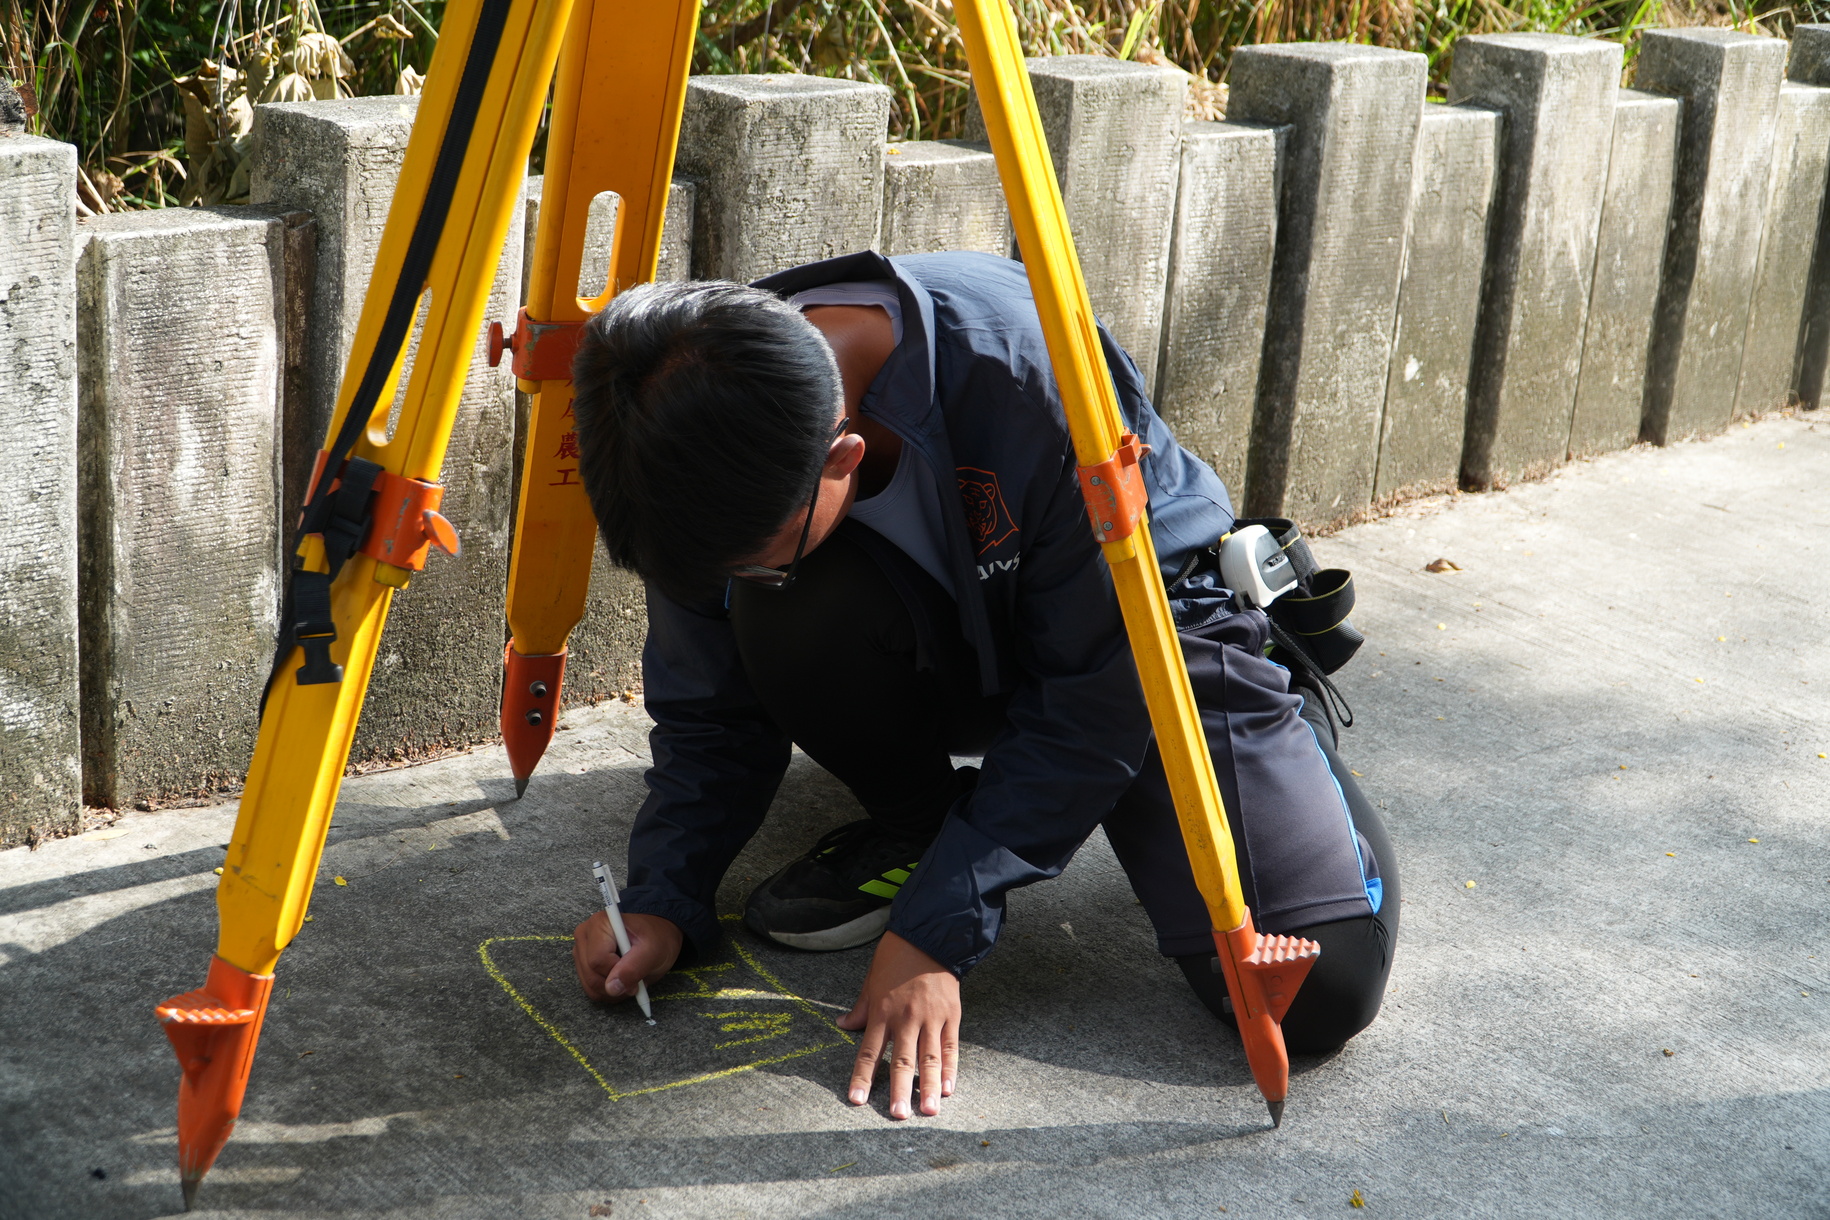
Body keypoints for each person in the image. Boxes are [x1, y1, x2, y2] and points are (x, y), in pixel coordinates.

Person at [567, 250, 1398, 1121]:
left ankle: (1283, 711)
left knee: (1316, 991)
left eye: (753, 559)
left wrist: (937, 933)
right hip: (961, 639)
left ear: (844, 453)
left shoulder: (1032, 374)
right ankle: (922, 828)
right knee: (783, 600)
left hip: (1143, 637)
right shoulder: (682, 432)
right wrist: (662, 896)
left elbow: (1088, 704)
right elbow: (708, 709)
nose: (728, 580)